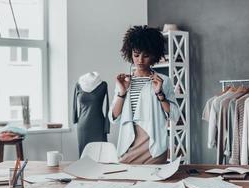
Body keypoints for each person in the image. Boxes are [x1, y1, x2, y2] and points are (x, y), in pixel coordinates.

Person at [108, 25, 180, 164]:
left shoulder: (164, 81)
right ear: (130, 54)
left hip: (154, 145)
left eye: (146, 55)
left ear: (154, 56)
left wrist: (160, 93)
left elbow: (175, 114)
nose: (140, 60)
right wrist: (122, 92)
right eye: (136, 55)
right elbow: (114, 117)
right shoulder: (124, 81)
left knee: (153, 185)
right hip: (128, 144)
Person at [73, 72, 110, 157]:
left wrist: (107, 125)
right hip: (83, 127)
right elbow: (74, 104)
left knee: (101, 155)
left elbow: (107, 106)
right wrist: (74, 118)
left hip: (98, 125)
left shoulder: (103, 85)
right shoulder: (78, 84)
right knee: (84, 155)